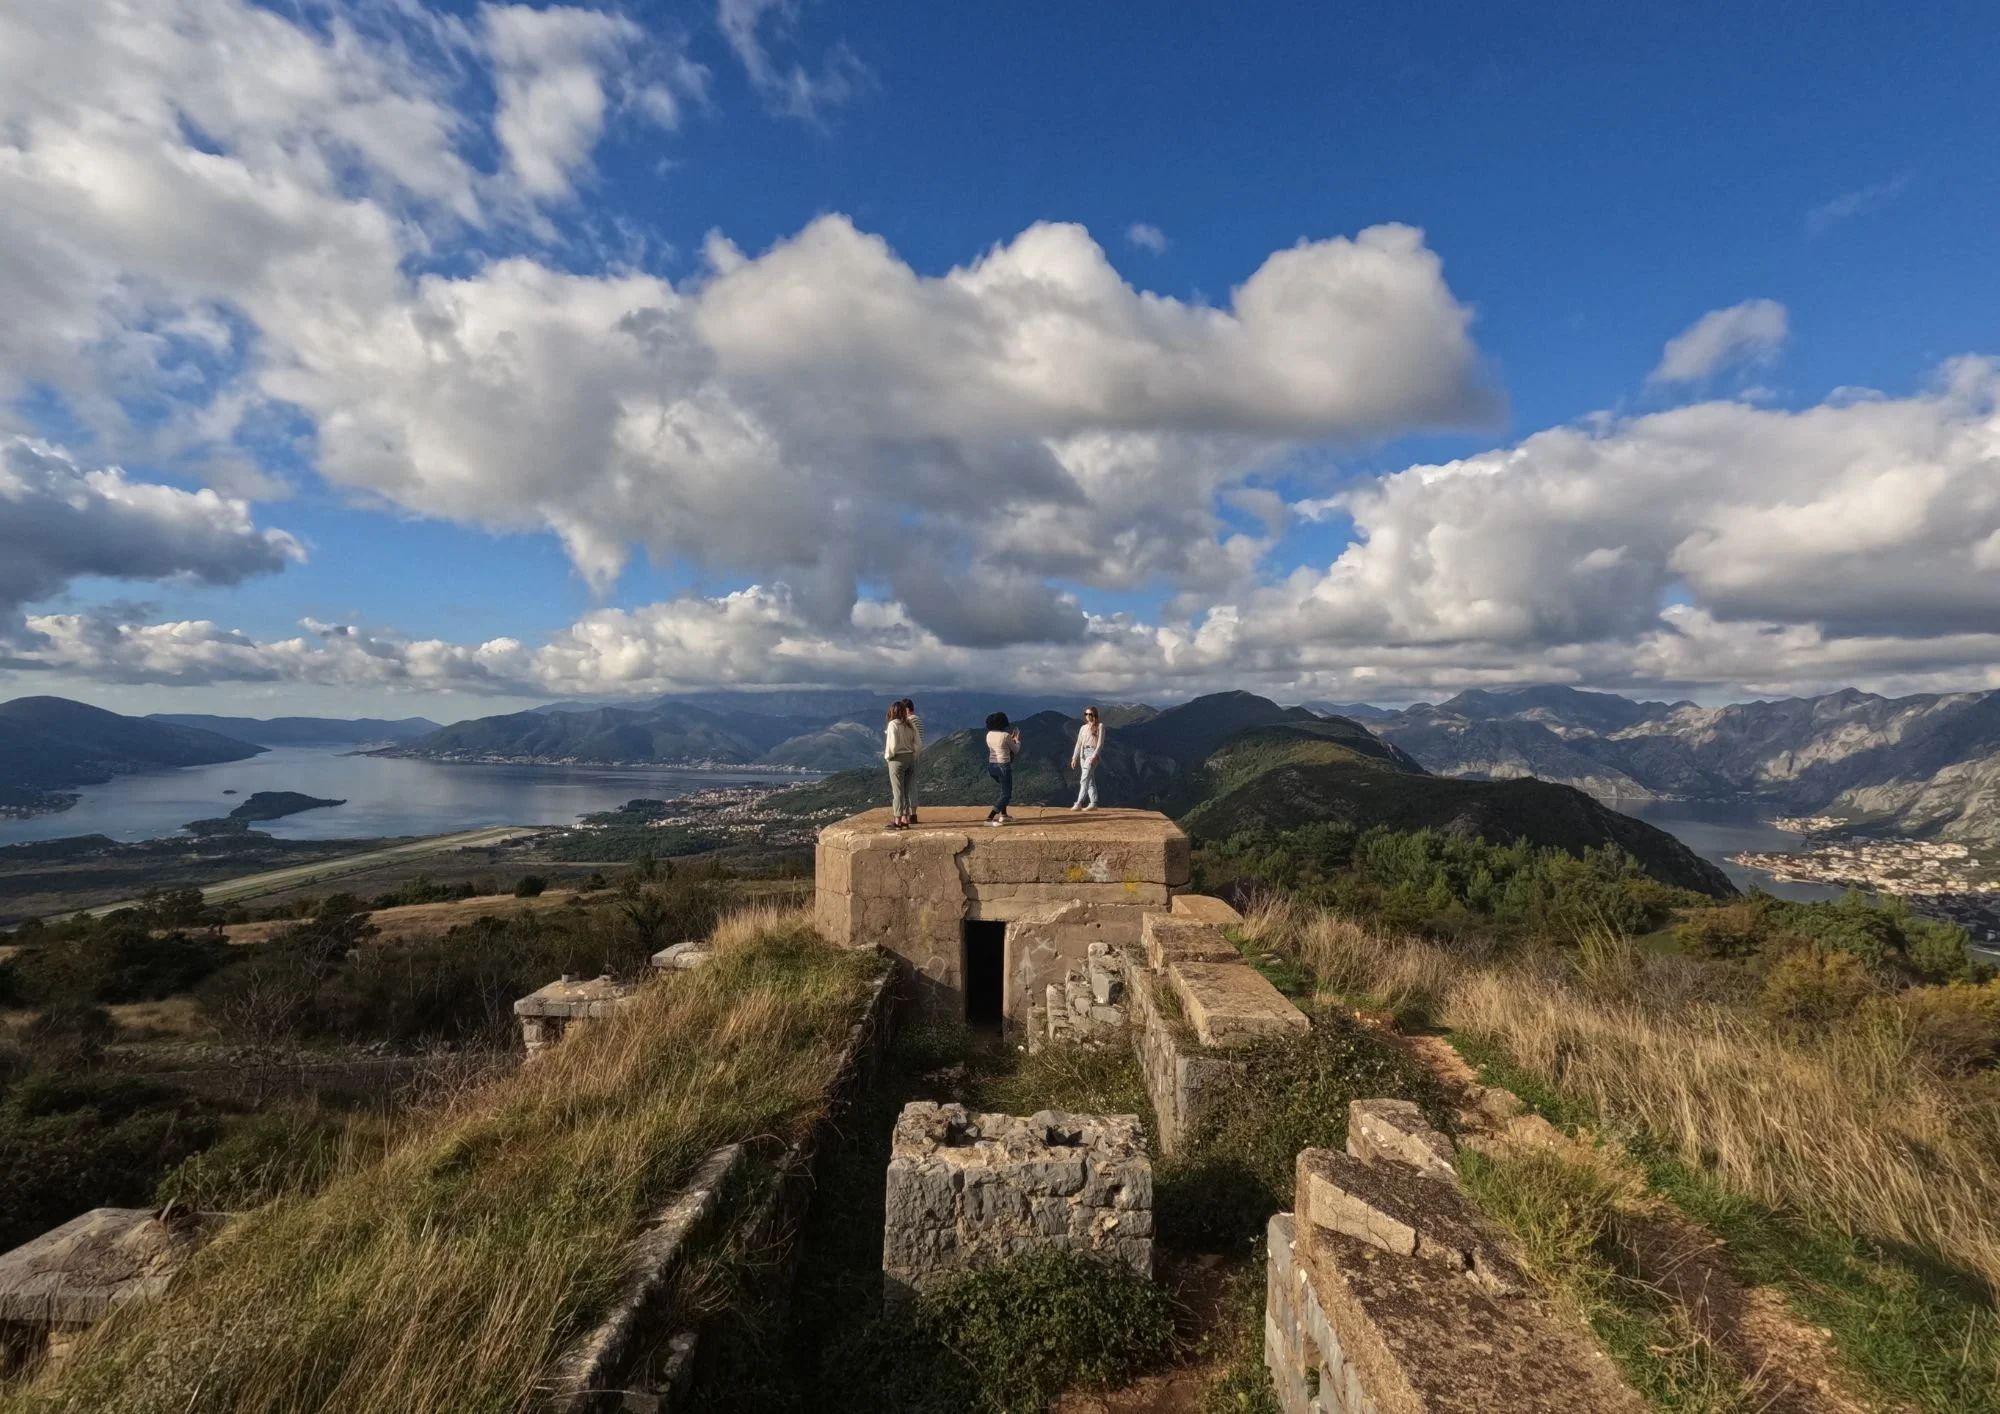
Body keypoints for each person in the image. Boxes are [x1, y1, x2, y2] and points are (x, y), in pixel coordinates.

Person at [883, 701, 918, 829]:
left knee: (897, 791)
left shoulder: (893, 724)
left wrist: (888, 757)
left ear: (892, 712)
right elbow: (918, 743)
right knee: (907, 790)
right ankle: (905, 818)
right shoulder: (910, 724)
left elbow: (892, 745)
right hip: (910, 757)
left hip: (897, 759)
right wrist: (913, 754)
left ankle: (897, 821)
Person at [983, 711, 1020, 826]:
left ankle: (1003, 815)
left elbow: (999, 747)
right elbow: (1015, 750)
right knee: (1006, 794)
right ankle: (989, 819)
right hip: (1003, 767)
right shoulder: (1005, 736)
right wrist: (1017, 740)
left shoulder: (988, 735)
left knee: (1003, 791)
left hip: (992, 767)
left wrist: (1010, 740)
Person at [1070, 705, 1104, 810]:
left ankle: (1079, 802)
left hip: (1092, 753)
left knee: (1084, 779)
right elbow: (1079, 743)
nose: (1088, 716)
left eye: (1090, 714)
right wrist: (1074, 758)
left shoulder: (1100, 726)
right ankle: (1093, 803)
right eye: (1086, 714)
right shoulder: (1083, 728)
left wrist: (1094, 756)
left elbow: (1100, 744)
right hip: (1082, 754)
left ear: (1094, 715)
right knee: (1089, 780)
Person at [898, 698, 923, 824]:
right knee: (913, 785)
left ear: (906, 709)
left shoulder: (910, 720)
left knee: (905, 786)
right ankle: (913, 814)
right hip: (916, 755)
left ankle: (906, 814)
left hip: (909, 755)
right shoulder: (918, 719)